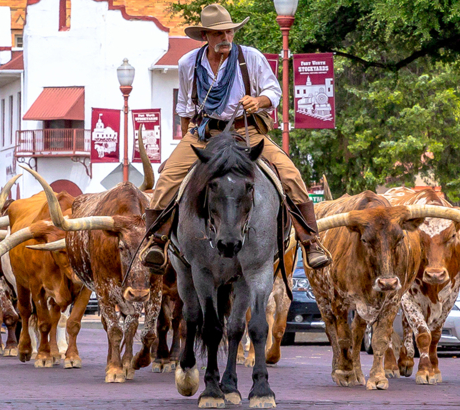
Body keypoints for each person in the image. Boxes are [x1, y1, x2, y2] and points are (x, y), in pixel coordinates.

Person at [141, 4, 331, 273]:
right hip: (205, 132)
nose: (225, 38)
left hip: (246, 131)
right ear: (205, 35)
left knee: (290, 175)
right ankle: (157, 241)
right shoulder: (188, 64)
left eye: (229, 32)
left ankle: (311, 242)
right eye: (218, 34)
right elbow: (184, 107)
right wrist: (186, 143)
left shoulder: (249, 58)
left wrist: (257, 100)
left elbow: (272, 91)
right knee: (168, 178)